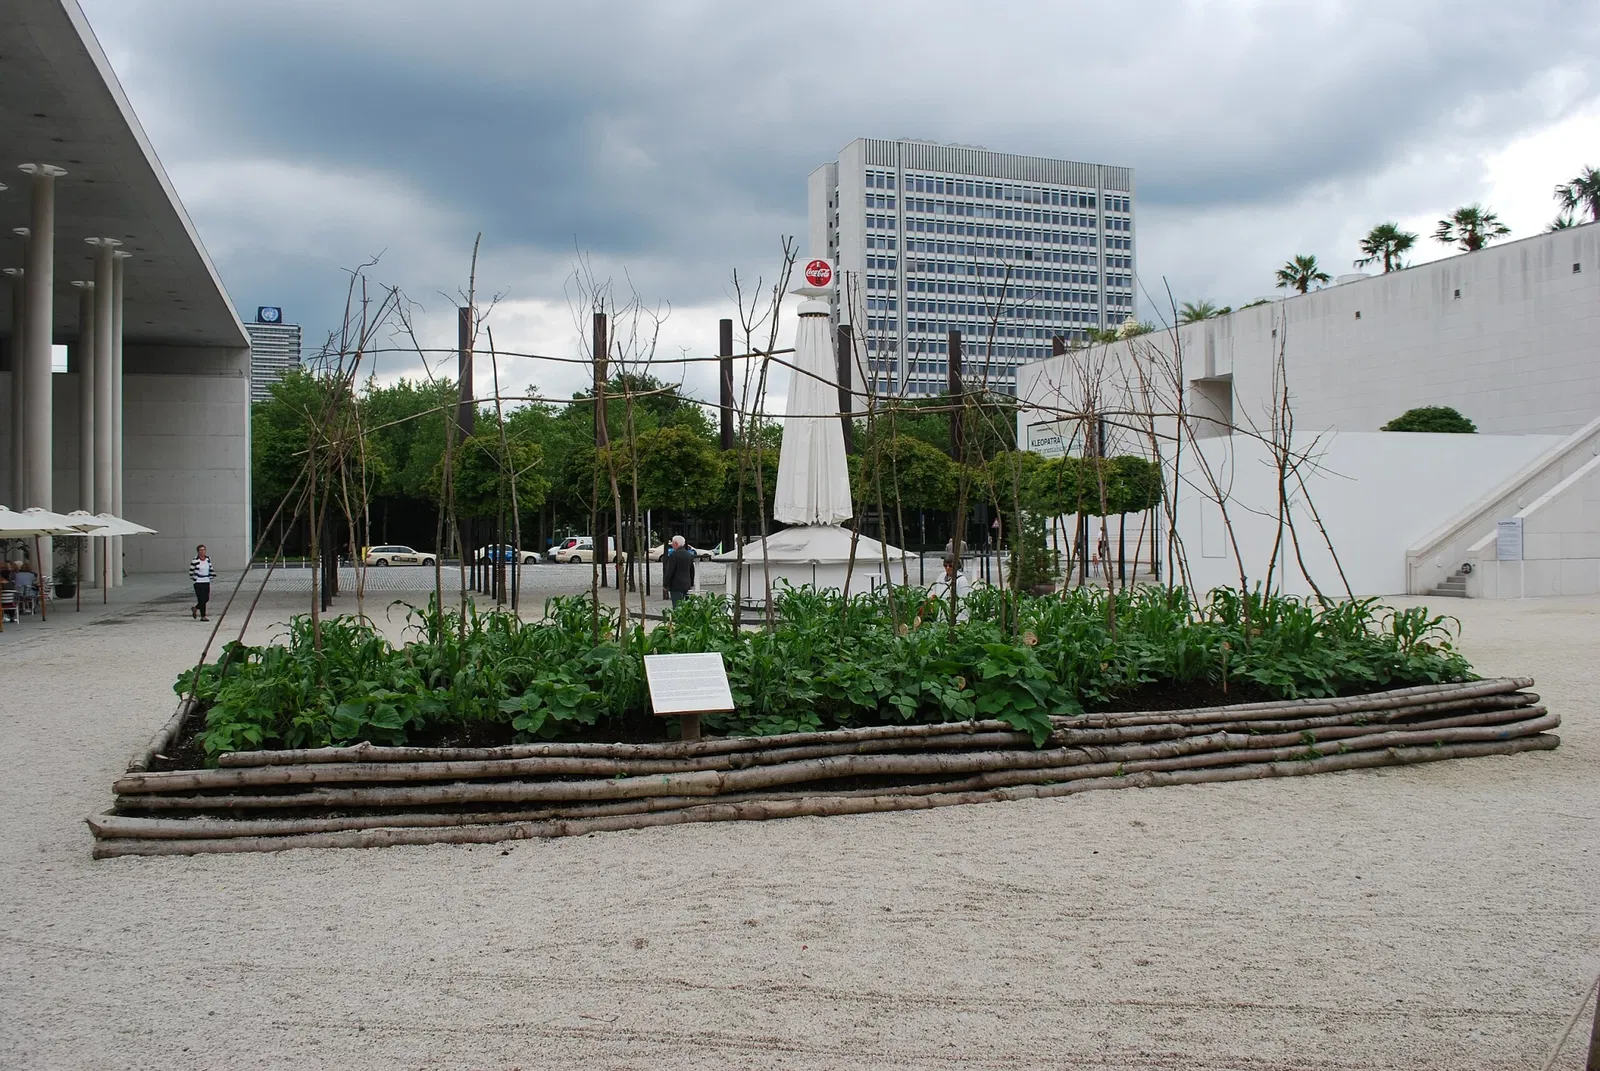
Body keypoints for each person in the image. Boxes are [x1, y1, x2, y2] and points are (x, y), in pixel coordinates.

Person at [926, 554, 971, 622]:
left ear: (956, 566)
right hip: (940, 618)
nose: (947, 568)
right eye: (945, 565)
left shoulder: (961, 580)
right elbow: (934, 593)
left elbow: (963, 602)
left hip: (953, 618)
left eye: (950, 566)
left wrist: (960, 621)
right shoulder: (941, 576)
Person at [661, 535, 696, 610]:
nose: (672, 545)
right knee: (686, 607)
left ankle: (678, 621)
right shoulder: (689, 555)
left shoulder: (673, 555)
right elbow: (692, 571)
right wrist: (691, 583)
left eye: (672, 543)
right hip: (686, 585)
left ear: (676, 544)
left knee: (677, 607)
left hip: (675, 585)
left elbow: (670, 571)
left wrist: (665, 584)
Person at [189, 544, 214, 621]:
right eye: (200, 550)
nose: (202, 551)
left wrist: (211, 575)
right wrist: (195, 579)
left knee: (206, 598)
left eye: (203, 550)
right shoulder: (195, 560)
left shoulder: (208, 559)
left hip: (206, 580)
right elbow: (191, 572)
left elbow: (210, 568)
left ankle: (195, 608)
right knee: (201, 599)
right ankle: (203, 616)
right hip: (198, 582)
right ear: (198, 551)